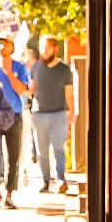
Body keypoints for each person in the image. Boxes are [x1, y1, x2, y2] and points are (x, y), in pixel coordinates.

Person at [0, 36, 30, 205]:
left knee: (14, 155)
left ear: (13, 47)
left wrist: (10, 73)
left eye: (6, 43)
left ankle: (9, 193)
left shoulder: (20, 67)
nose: (2, 46)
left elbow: (22, 90)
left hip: (15, 114)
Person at [30, 35, 77, 193]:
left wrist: (72, 111)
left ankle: (61, 179)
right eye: (42, 47)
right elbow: (32, 88)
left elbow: (69, 93)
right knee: (42, 152)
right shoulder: (36, 67)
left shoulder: (64, 69)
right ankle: (45, 180)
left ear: (55, 49)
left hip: (58, 114)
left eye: (47, 47)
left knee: (58, 149)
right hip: (38, 114)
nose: (43, 51)